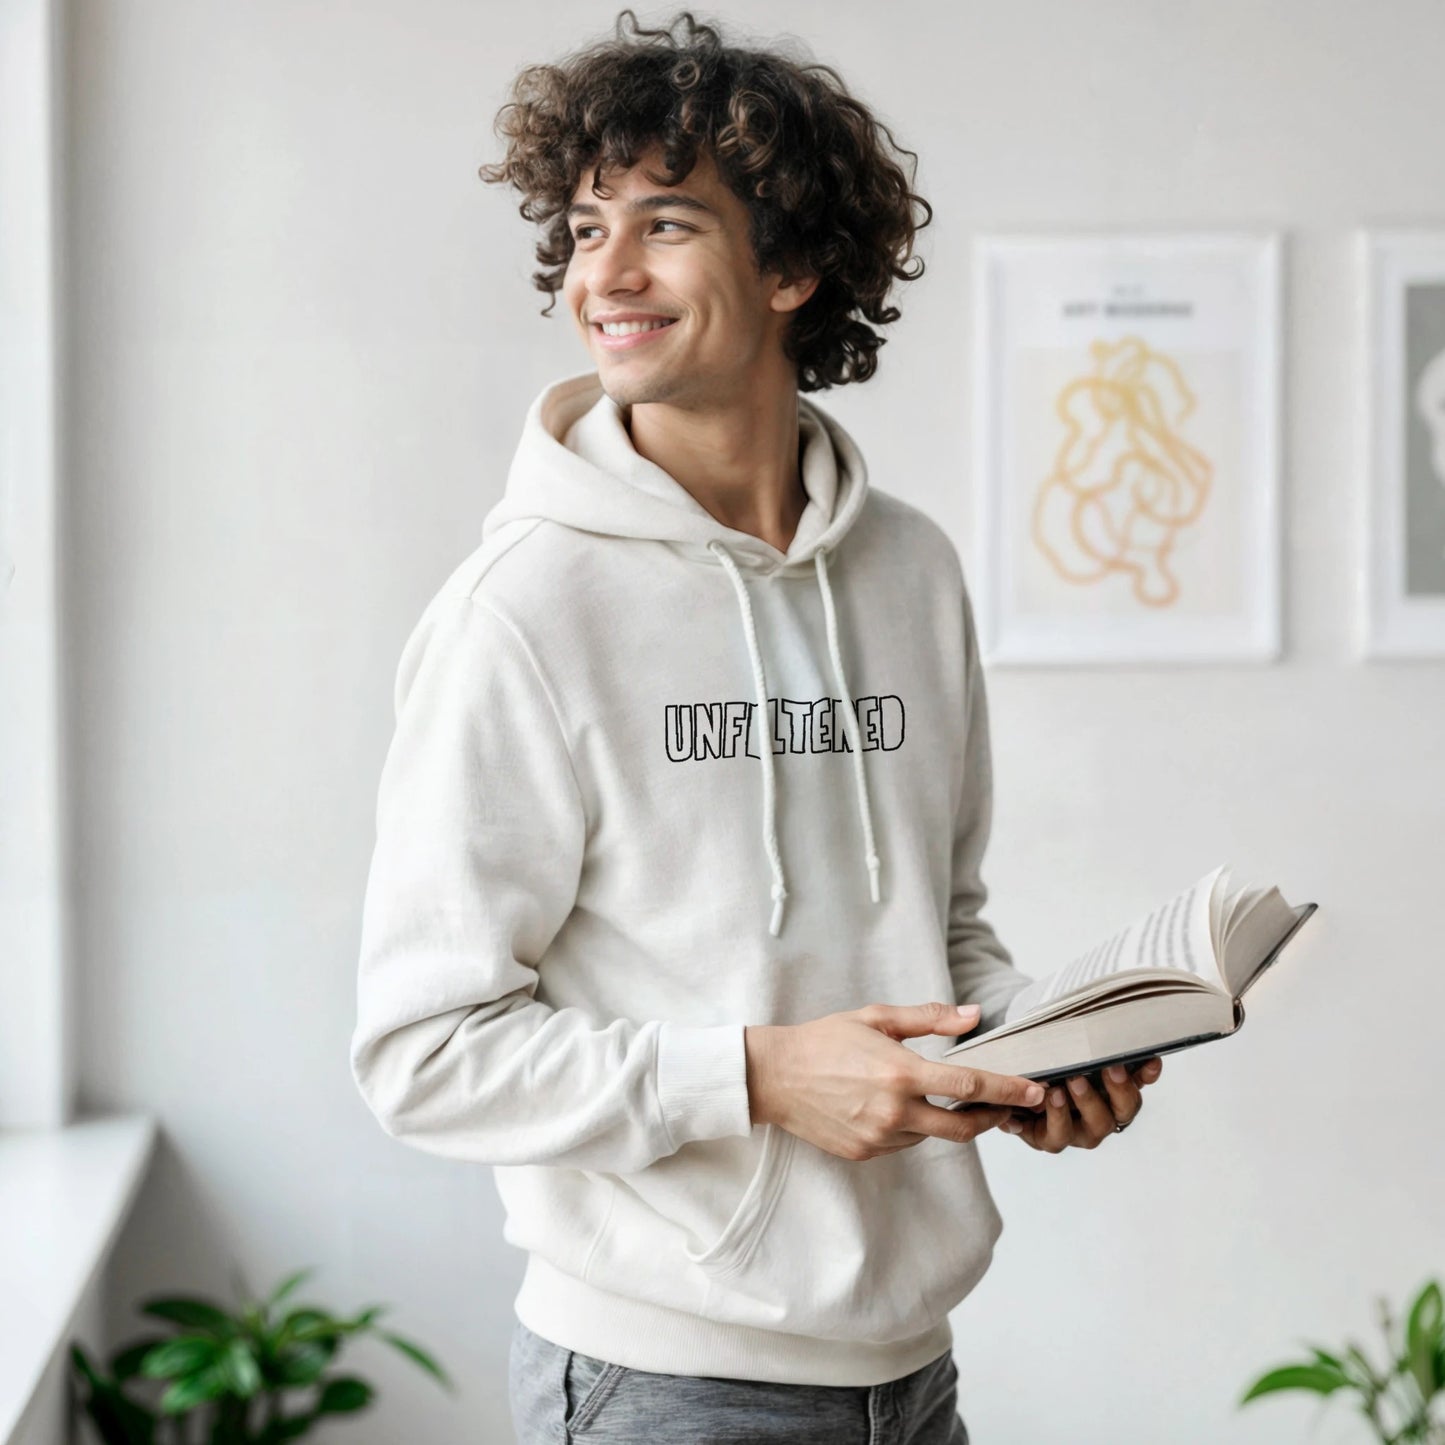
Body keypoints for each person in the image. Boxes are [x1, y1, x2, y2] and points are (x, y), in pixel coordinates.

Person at [349, 10, 1162, 1442]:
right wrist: (759, 1074)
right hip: (663, 1380)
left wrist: (1026, 1052)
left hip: (911, 1369)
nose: (602, 272)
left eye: (663, 224)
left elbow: (938, 918)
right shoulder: (521, 612)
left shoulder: (908, 569)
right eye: (586, 225)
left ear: (790, 266)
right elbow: (422, 1049)